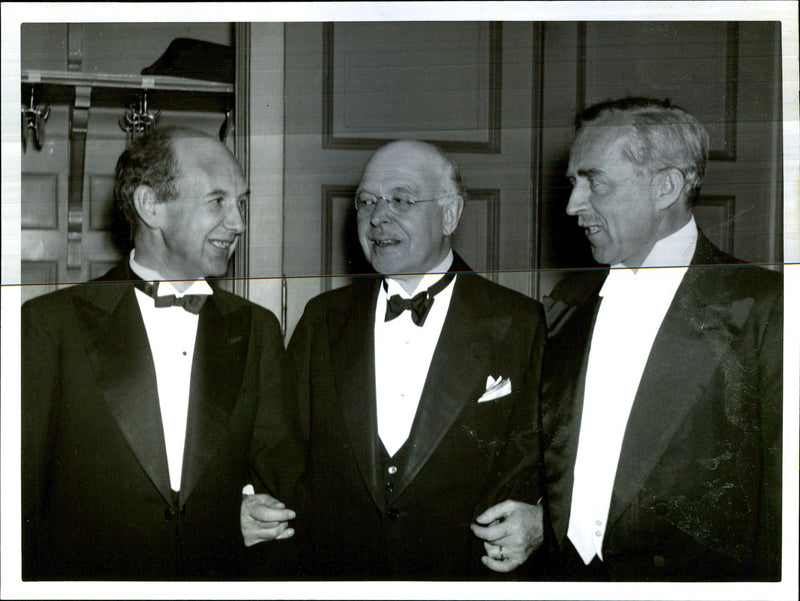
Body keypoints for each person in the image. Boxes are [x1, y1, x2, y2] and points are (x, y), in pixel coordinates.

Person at [478, 97, 783, 581]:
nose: (572, 205)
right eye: (574, 183)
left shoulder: (768, 309)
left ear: (666, 186)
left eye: (593, 180)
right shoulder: (566, 304)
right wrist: (545, 520)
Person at [242, 139, 546, 579]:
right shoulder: (322, 320)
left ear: (450, 214)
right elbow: (276, 452)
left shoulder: (520, 322)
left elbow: (546, 460)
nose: (377, 217)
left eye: (401, 200)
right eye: (365, 202)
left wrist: (540, 521)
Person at [21, 126, 303, 580]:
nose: (238, 224)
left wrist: (246, 509)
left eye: (241, 203)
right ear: (152, 206)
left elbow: (281, 480)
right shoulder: (49, 325)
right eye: (217, 202)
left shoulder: (258, 330)